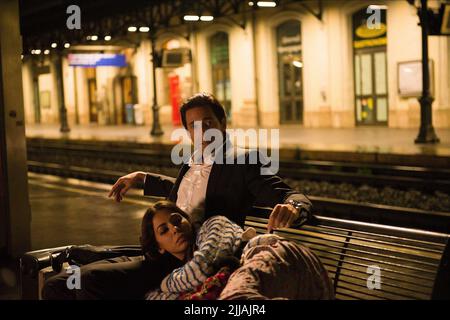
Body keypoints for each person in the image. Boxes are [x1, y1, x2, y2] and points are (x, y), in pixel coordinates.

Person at [42, 92, 313, 299]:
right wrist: (141, 178)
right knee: (57, 285)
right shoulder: (192, 161)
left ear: (223, 122)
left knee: (89, 280)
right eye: (194, 125)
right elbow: (188, 190)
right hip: (161, 250)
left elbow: (289, 193)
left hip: (191, 258)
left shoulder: (242, 161)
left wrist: (293, 207)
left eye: (208, 122)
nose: (203, 131)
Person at [142, 200, 333, 300]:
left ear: (187, 220)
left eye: (176, 220)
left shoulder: (214, 225)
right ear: (158, 246)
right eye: (164, 230)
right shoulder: (184, 272)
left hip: (275, 255)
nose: (174, 228)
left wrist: (165, 285)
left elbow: (203, 268)